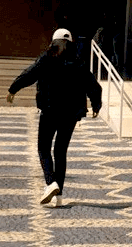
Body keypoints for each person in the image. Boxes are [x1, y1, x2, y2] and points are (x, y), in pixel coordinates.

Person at [6, 28, 103, 207]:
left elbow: (30, 74)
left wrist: (13, 89)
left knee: (43, 148)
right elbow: (92, 84)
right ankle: (58, 196)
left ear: (53, 41)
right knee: (60, 152)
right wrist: (96, 104)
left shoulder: (47, 58)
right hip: (71, 114)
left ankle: (51, 183)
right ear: (71, 42)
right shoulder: (78, 60)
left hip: (50, 111)